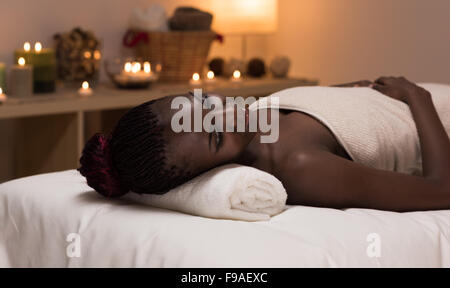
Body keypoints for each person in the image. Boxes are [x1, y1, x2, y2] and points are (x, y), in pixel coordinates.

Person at [78, 77, 450, 212]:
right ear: (211, 171)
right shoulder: (301, 166)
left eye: (206, 101)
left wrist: (349, 90)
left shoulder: (252, 119)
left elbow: (320, 110)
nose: (230, 113)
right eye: (217, 136)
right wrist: (416, 97)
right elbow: (441, 190)